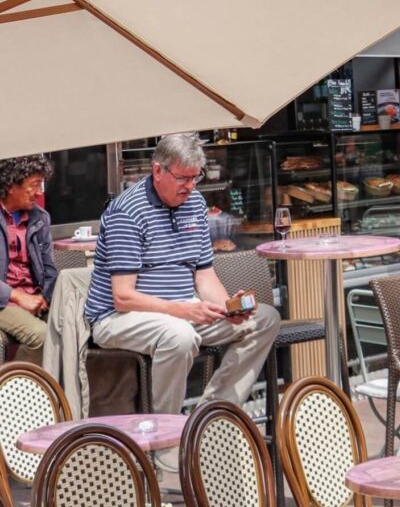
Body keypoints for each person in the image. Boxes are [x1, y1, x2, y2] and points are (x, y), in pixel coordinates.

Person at [85, 133, 280, 474]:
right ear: (158, 171)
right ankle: (166, 440)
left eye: (196, 177)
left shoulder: (194, 206)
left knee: (264, 318)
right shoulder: (126, 213)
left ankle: (208, 418)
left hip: (182, 310)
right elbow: (123, 296)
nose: (191, 186)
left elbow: (204, 277)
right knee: (179, 335)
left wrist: (227, 307)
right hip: (119, 317)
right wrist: (183, 311)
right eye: (183, 178)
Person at [0, 155, 57, 365]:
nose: (39, 192)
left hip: (35, 299)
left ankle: (57, 392)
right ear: (11, 184)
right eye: (33, 185)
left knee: (72, 329)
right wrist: (17, 296)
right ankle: (13, 392)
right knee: (40, 335)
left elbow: (50, 268)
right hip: (4, 302)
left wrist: (46, 297)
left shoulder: (39, 218)